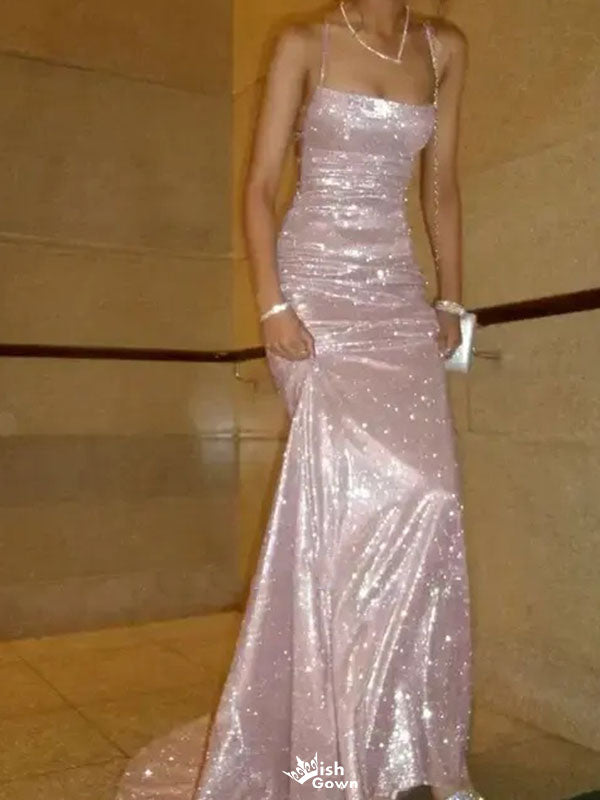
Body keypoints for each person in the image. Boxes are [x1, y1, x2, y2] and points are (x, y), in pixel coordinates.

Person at [116, 1, 482, 799]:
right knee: (340, 511)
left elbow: (442, 186)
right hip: (314, 300)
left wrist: (451, 300)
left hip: (395, 296)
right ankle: (325, 755)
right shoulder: (302, 40)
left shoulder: (444, 48)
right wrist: (272, 304)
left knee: (429, 498)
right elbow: (258, 187)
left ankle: (395, 739)